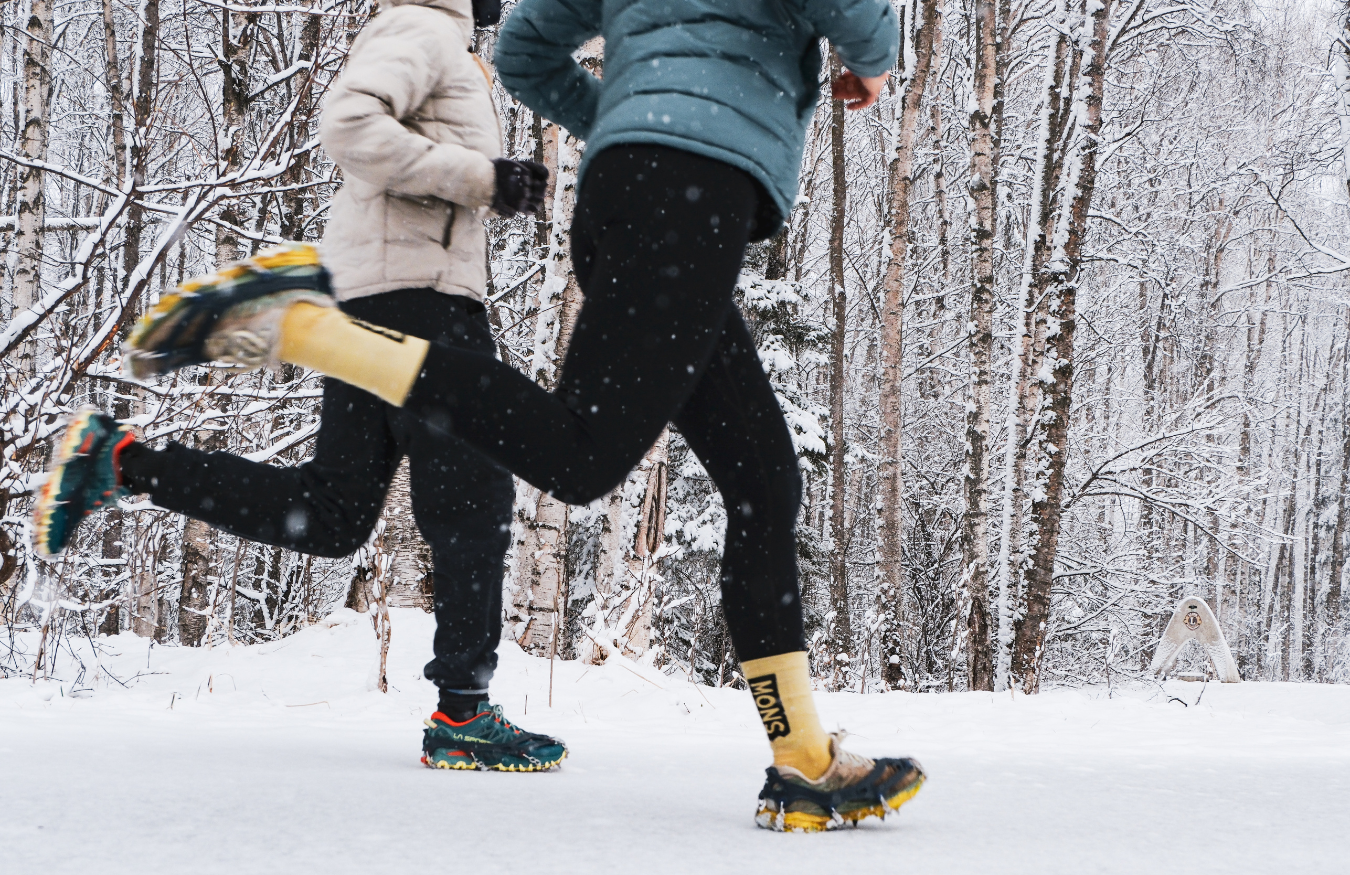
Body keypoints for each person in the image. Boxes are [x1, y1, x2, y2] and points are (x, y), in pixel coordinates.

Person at [50, 0, 925, 832]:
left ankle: (802, 758)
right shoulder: (418, 31)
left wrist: (621, 117)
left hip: (639, 195)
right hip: (657, 207)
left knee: (761, 477)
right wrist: (875, 64)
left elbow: (528, 50)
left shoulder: (460, 44)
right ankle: (312, 336)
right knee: (567, 464)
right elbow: (858, 17)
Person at [33, 0, 566, 773]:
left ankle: (122, 462)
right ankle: (463, 711)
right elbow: (349, 124)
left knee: (333, 511)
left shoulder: (439, 40)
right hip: (422, 306)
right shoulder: (421, 28)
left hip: (376, 299)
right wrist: (481, 176)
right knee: (473, 502)